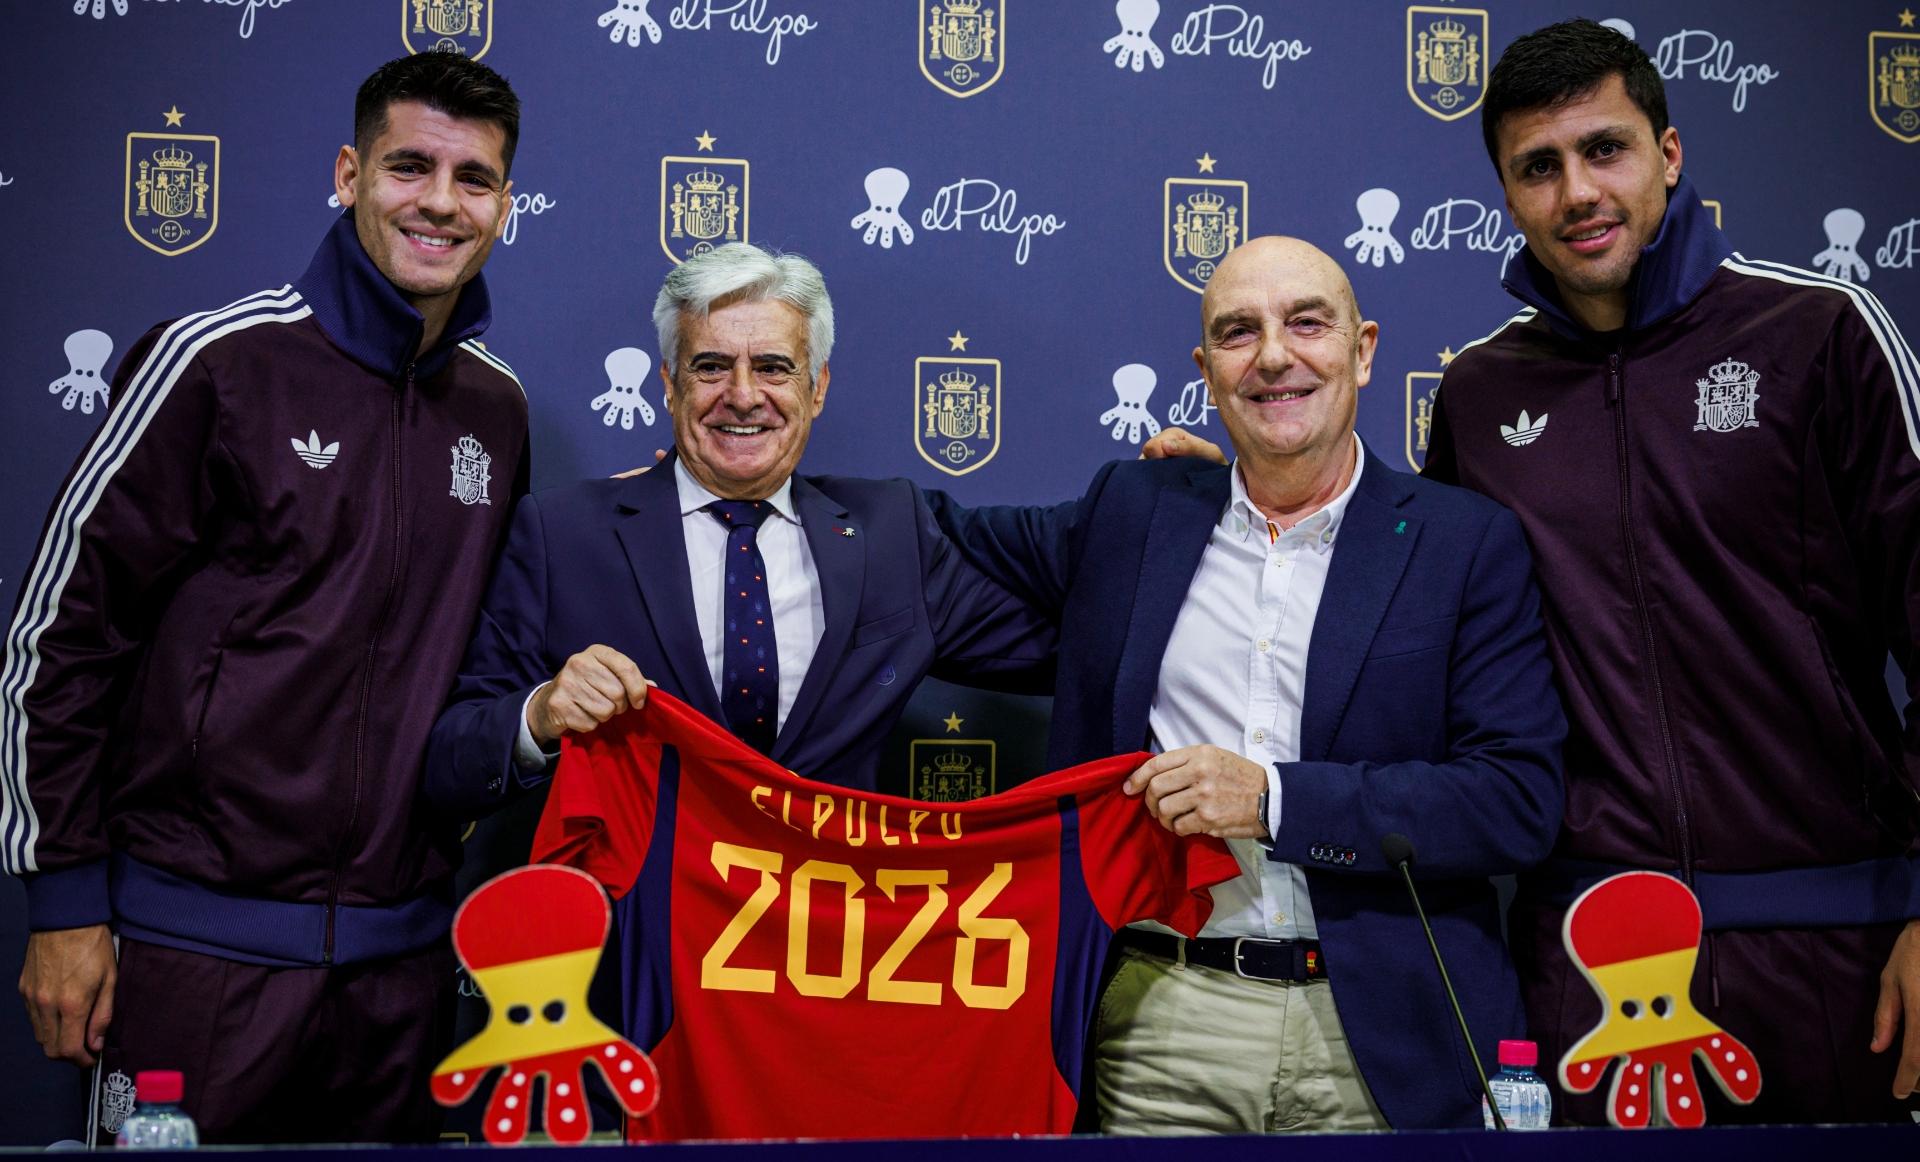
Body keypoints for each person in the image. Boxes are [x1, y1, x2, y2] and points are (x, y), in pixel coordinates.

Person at [927, 235, 1566, 1131]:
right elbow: (927, 536)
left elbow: (1515, 799)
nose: (1274, 355)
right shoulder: (1134, 511)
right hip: (1164, 1022)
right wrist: (704, 485)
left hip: (1381, 1032)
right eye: (1238, 332)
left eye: (1307, 324)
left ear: (1364, 348)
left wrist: (1272, 800)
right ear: (1206, 367)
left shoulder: (1463, 545)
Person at [4, 53, 527, 1142]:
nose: (440, 201)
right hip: (195, 957)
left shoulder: (498, 409)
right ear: (347, 173)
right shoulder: (218, 364)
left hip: (400, 975)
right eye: (409, 166)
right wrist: (62, 900)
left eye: (473, 178)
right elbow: (61, 639)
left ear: (505, 204)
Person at [1423, 18, 1920, 1123]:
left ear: (1671, 154)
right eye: (1538, 168)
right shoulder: (1478, 394)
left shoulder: (1821, 333)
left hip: (1841, 948)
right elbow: (1408, 622)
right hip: (1589, 969)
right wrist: (1234, 497)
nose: (1578, 192)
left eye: (1606, 149)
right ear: (1508, 195)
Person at [424, 240, 1054, 812]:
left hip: (824, 925)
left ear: (818, 388)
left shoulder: (891, 534)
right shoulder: (561, 535)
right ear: (669, 385)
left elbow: (1077, 647)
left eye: (775, 367)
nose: (744, 395)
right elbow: (452, 755)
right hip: (637, 929)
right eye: (711, 367)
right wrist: (539, 717)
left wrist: (1152, 498)